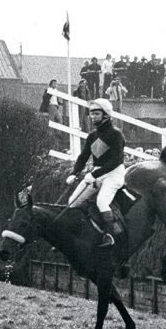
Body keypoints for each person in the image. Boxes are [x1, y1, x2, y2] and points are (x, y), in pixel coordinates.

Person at [65, 98, 126, 248]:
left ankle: (110, 235)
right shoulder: (92, 135)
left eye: (96, 114)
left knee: (102, 201)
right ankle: (81, 233)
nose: (92, 117)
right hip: (97, 173)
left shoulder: (116, 134)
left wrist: (94, 175)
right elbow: (83, 156)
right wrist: (74, 173)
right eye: (91, 114)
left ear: (106, 115)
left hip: (114, 174)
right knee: (73, 202)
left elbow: (116, 161)